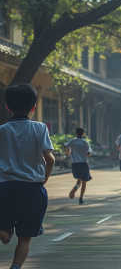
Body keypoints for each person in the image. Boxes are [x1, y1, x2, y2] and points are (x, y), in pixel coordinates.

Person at [0, 84, 55, 269]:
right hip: (32, 189)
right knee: (25, 237)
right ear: (34, 107)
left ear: (8, 107)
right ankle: (16, 266)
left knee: (5, 234)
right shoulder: (40, 128)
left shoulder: (2, 130)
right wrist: (44, 178)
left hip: (5, 187)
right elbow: (50, 158)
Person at [65, 127, 92, 204]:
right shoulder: (85, 142)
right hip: (83, 163)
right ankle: (81, 197)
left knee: (79, 179)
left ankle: (76, 186)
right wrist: (85, 154)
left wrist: (68, 152)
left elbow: (65, 146)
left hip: (75, 164)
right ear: (83, 133)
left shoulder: (72, 141)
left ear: (76, 133)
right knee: (84, 181)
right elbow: (89, 153)